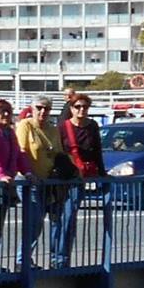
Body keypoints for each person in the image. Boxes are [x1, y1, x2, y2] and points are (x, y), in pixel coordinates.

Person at [17, 96, 76, 266]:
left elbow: (59, 153)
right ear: (32, 108)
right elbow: (21, 151)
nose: (43, 111)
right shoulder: (25, 125)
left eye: (47, 108)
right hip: (30, 182)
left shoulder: (53, 129)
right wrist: (28, 173)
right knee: (34, 223)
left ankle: (57, 260)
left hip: (49, 183)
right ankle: (23, 260)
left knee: (58, 220)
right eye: (39, 107)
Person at [0, 99, 37, 270]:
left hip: (5, 185)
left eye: (8, 111)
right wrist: (0, 175)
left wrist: (27, 172)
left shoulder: (9, 132)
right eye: (1, 111)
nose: (6, 114)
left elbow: (18, 154)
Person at [60, 93, 104, 266]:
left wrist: (102, 172)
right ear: (71, 108)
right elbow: (59, 152)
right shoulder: (63, 127)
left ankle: (63, 258)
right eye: (77, 106)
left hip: (81, 177)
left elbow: (97, 150)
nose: (81, 110)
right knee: (62, 218)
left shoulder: (92, 126)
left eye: (85, 107)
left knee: (70, 217)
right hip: (65, 177)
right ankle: (59, 257)